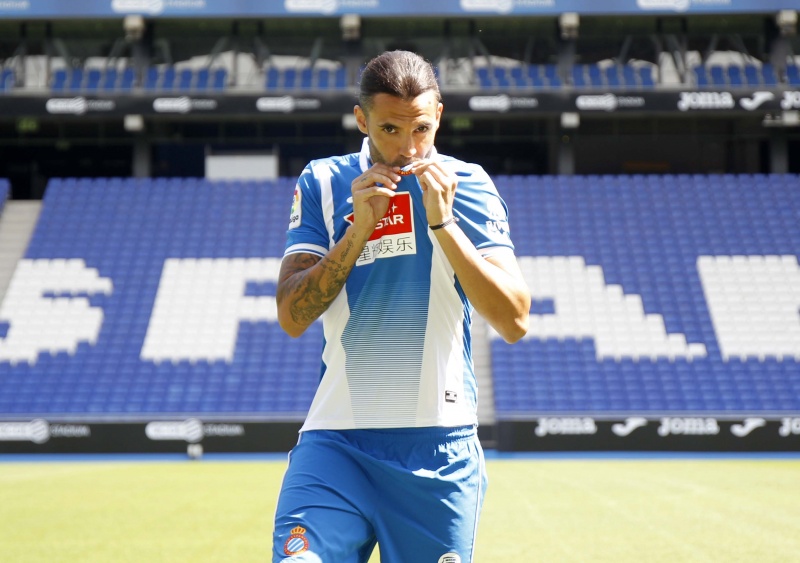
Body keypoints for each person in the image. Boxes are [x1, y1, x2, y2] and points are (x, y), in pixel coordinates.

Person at [272, 50, 531, 563]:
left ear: (439, 116)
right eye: (390, 129)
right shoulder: (323, 181)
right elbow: (292, 317)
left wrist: (444, 224)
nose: (408, 149)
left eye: (422, 130)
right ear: (361, 119)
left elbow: (514, 320)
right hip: (337, 444)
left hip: (438, 448)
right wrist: (357, 231)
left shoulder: (468, 184)